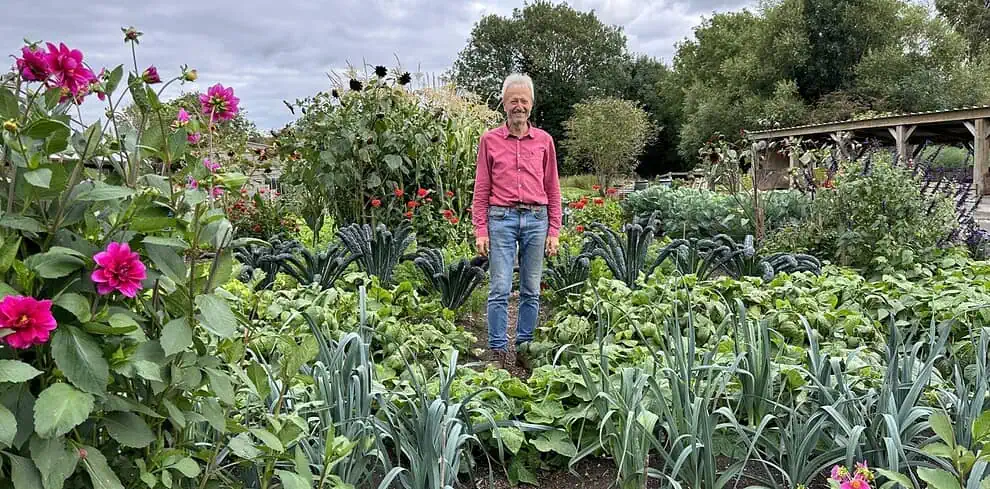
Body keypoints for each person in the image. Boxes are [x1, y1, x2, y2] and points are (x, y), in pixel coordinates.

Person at [471, 73, 562, 369]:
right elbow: (482, 188)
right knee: (499, 287)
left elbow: (553, 187)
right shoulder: (489, 140)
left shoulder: (545, 141)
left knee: (531, 288)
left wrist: (554, 230)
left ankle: (524, 347)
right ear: (504, 104)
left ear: (531, 105)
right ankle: (498, 350)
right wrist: (480, 229)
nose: (518, 106)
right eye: (513, 101)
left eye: (523, 100)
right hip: (502, 219)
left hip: (537, 219)